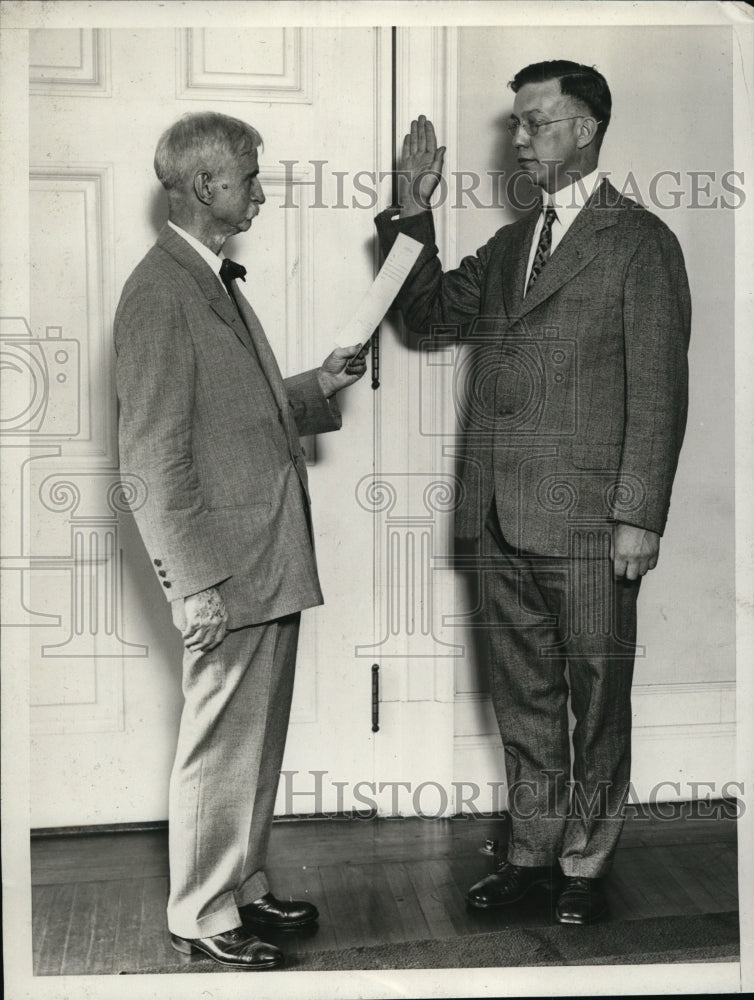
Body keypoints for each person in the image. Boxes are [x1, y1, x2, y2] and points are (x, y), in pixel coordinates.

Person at [375, 61, 691, 924]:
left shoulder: (641, 242)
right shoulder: (513, 245)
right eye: (516, 123)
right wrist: (412, 211)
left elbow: (658, 391)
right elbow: (426, 316)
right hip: (497, 516)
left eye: (534, 122)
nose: (517, 138)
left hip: (592, 522)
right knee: (522, 699)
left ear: (585, 130)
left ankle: (585, 865)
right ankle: (530, 854)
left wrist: (639, 516)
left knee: (597, 701)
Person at [114, 111, 366, 969]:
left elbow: (236, 410)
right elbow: (151, 456)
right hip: (224, 569)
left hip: (265, 558)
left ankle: (242, 886)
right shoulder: (161, 292)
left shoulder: (208, 279)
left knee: (253, 742)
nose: (260, 190)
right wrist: (195, 584)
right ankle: (201, 912)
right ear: (206, 185)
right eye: (250, 176)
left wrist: (317, 385)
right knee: (221, 746)